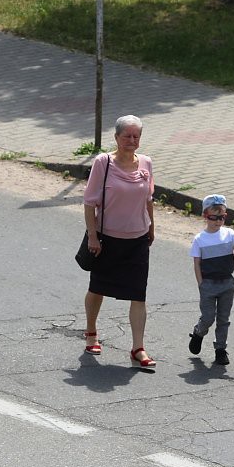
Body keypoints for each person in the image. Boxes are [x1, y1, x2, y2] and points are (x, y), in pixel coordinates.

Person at [82, 115, 157, 369]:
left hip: (137, 238)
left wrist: (152, 227)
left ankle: (138, 347)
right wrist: (93, 236)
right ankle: (91, 331)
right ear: (116, 138)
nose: (132, 141)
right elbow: (90, 202)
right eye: (127, 136)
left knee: (138, 293)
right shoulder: (103, 163)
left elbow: (149, 199)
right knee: (98, 288)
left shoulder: (146, 162)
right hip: (108, 238)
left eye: (136, 136)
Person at [186, 194, 234, 366]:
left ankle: (220, 349)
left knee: (223, 319)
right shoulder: (200, 239)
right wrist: (201, 284)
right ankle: (199, 332)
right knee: (208, 317)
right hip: (208, 285)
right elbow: (196, 263)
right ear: (205, 216)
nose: (218, 221)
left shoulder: (229, 234)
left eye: (222, 217)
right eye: (214, 217)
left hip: (227, 284)